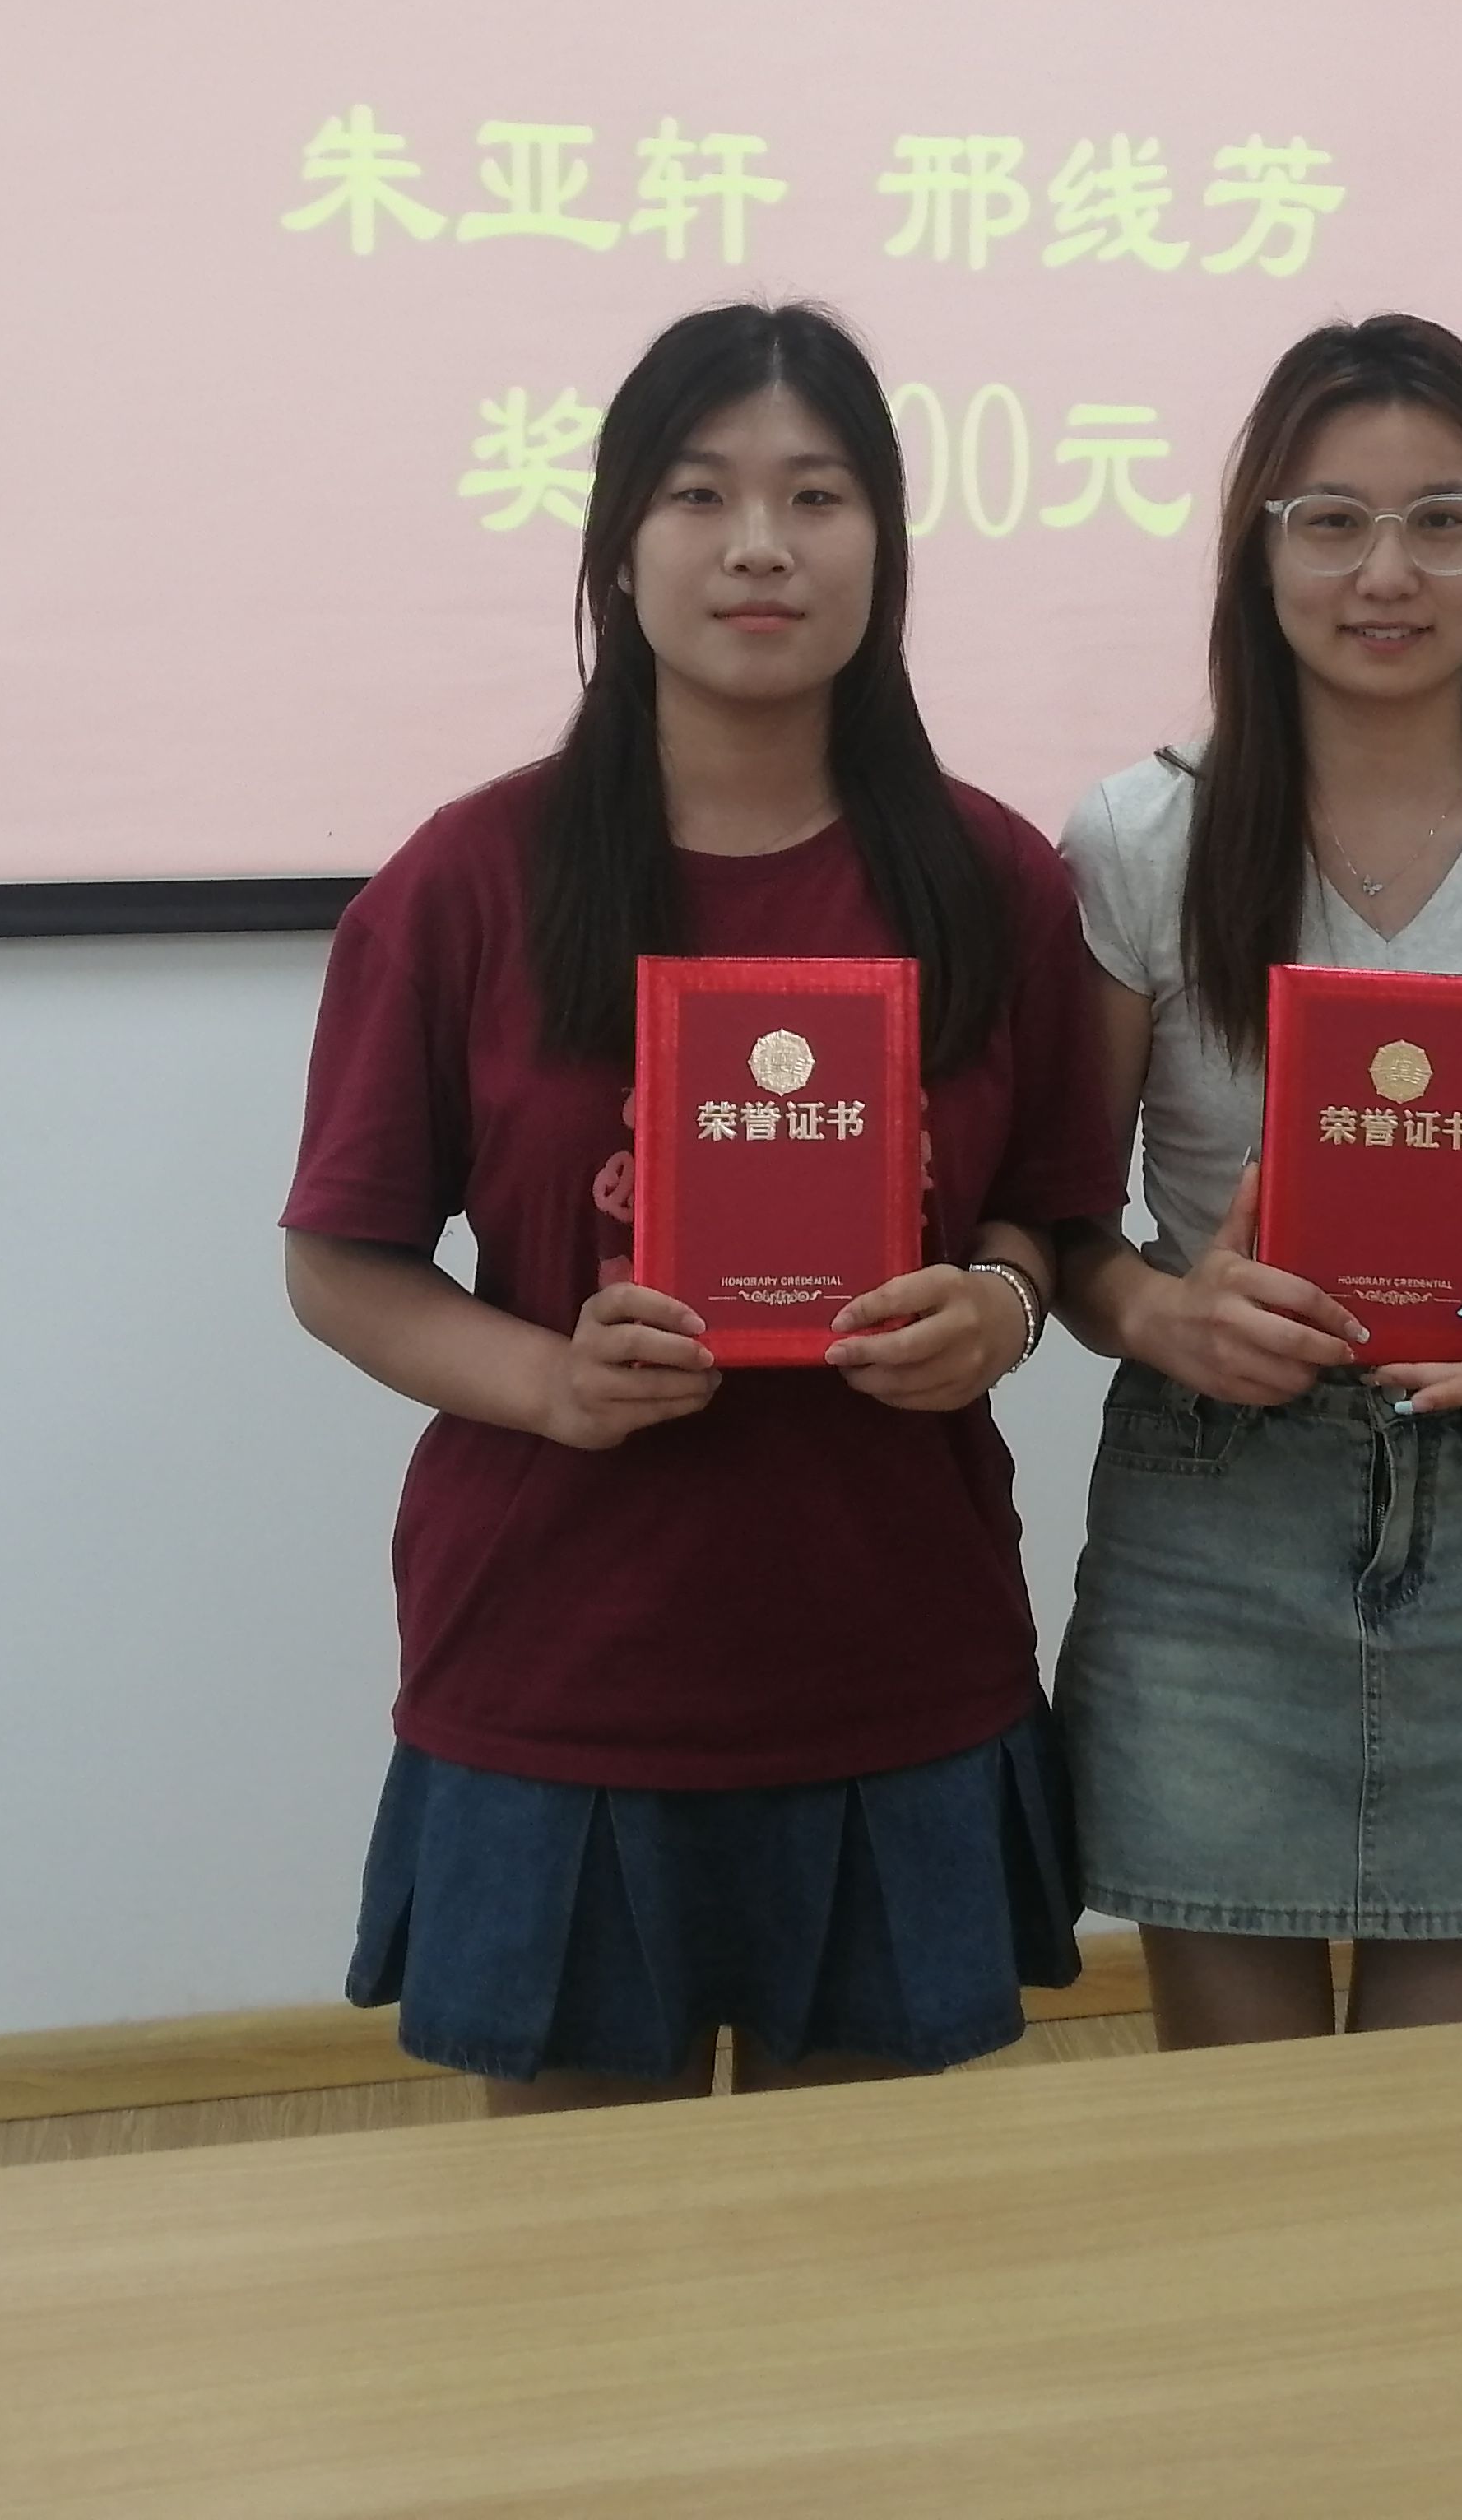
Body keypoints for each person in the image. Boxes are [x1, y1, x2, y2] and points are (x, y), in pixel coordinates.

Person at [280, 301, 1118, 2110]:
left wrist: (995, 1309)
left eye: (816, 496)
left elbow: (1043, 1219)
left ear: (883, 544)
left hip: (893, 1647)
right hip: (564, 1663)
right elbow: (341, 1264)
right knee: (581, 2253)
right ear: (617, 543)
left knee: (868, 2246)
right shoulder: (469, 880)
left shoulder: (991, 878)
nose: (759, 545)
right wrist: (550, 1382)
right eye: (698, 494)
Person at [1048, 316, 1462, 2046]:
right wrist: (1163, 1314)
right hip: (1215, 1508)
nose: (1386, 573)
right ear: (1256, 549)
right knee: (1241, 2121)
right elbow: (1060, 1234)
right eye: (1330, 521)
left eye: (1442, 520)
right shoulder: (1139, 839)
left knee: (1451, 2130)